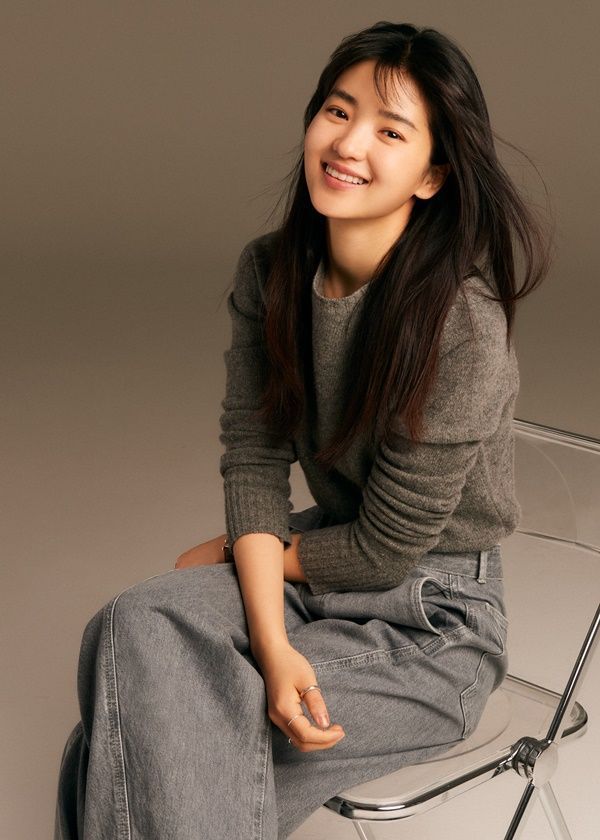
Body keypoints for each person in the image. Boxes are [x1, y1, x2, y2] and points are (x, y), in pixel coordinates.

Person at [54, 20, 551, 840]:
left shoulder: (461, 326)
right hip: (320, 566)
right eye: (338, 111)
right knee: (132, 627)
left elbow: (386, 552)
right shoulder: (271, 271)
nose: (348, 143)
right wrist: (272, 634)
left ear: (432, 174)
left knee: (133, 729)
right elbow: (254, 456)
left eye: (390, 131)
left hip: (435, 619)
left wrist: (241, 548)